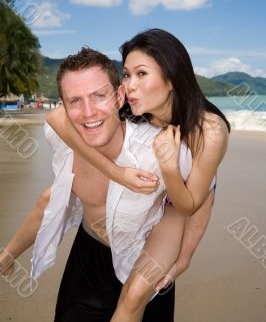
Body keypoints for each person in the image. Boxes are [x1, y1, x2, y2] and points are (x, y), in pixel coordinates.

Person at [46, 29, 230, 322]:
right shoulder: (137, 113)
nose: (129, 85)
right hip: (138, 210)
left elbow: (192, 204)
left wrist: (169, 169)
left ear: (171, 78)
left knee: (133, 296)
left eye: (141, 74)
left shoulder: (209, 130)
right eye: (127, 74)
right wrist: (117, 173)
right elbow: (56, 118)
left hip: (176, 211)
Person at [1, 47, 190, 322]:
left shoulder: (159, 151)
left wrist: (185, 257)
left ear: (120, 96)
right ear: (63, 106)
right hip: (89, 255)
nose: (88, 112)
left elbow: (199, 199)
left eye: (99, 96)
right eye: (75, 101)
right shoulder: (60, 139)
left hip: (145, 263)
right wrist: (9, 254)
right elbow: (54, 198)